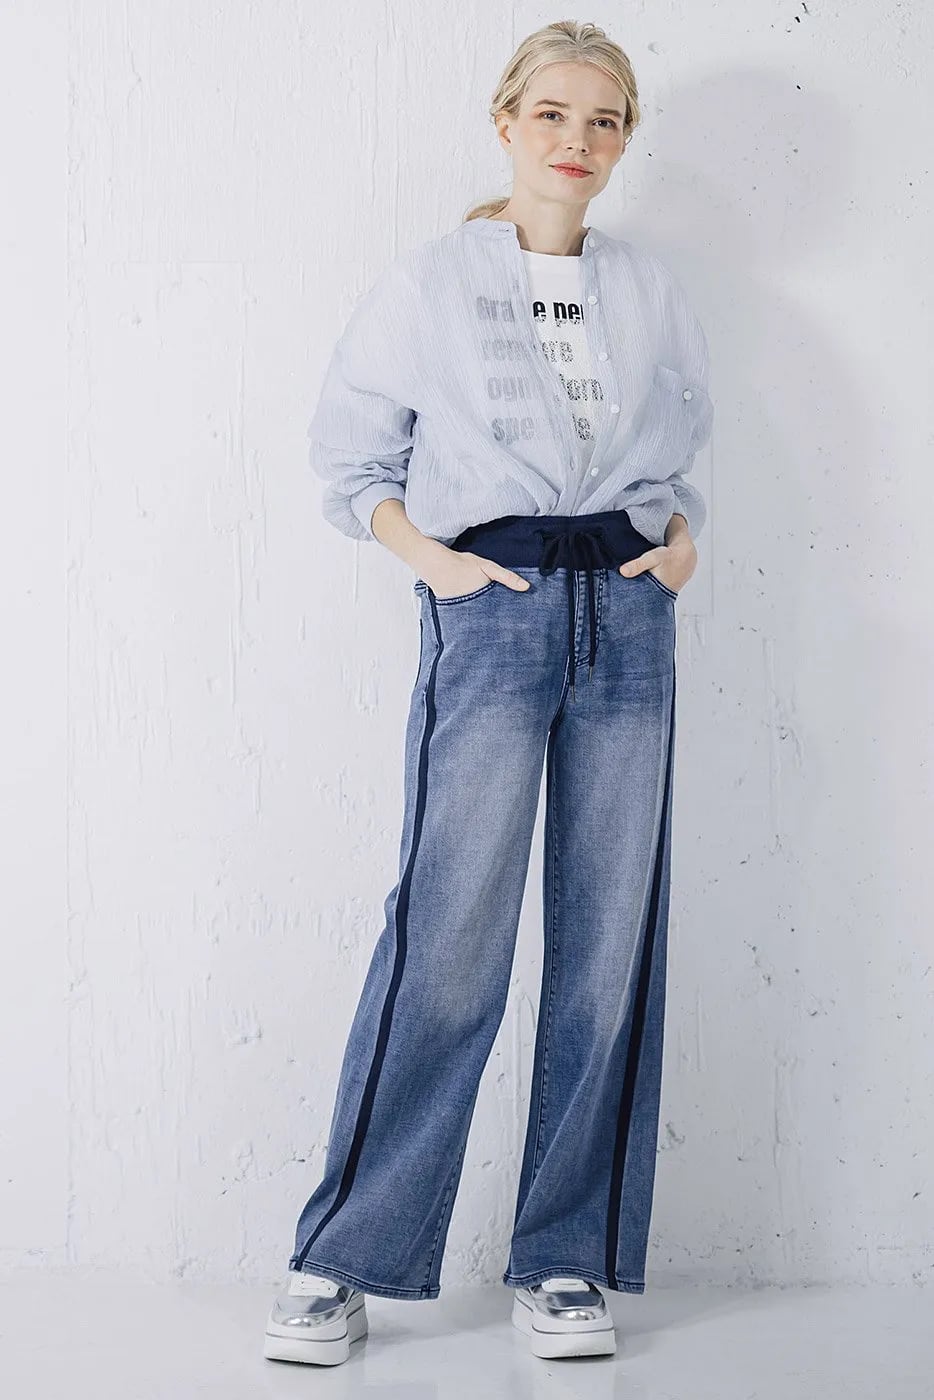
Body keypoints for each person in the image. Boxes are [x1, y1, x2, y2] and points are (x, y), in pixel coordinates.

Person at [263, 18, 713, 1367]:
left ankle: (563, 1258)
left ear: (624, 142)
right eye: (554, 115)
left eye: (604, 121)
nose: (579, 141)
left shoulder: (648, 290)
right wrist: (439, 566)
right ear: (507, 124)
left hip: (626, 616)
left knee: (605, 948)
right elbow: (352, 462)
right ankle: (343, 1257)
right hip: (494, 612)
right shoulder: (429, 285)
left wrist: (680, 548)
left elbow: (681, 450)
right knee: (447, 937)